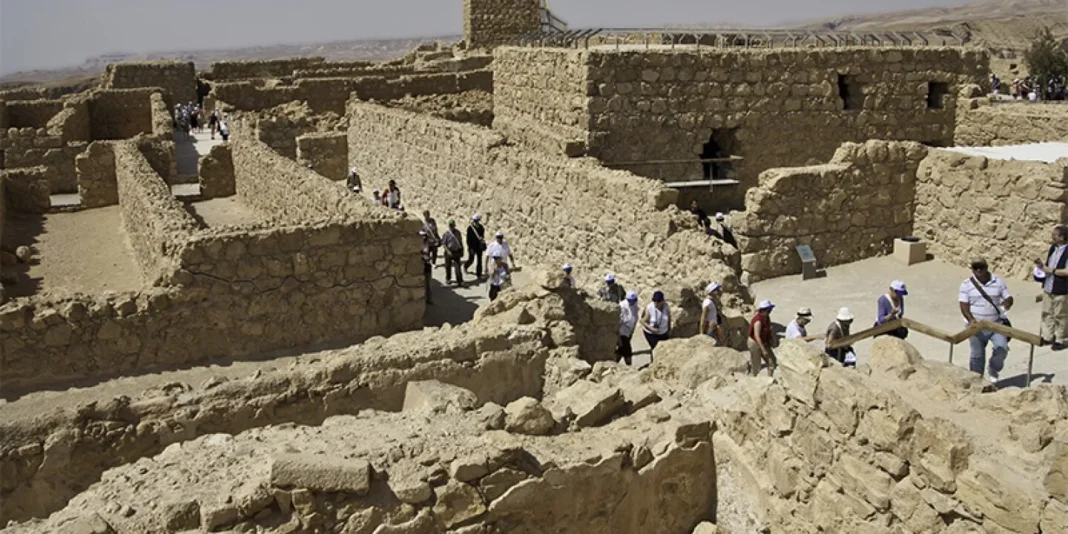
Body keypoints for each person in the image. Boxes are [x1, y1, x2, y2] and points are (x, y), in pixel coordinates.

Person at [959, 259, 1013, 380]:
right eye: (975, 267)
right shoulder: (966, 284)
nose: (979, 270)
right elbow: (963, 305)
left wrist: (1008, 302)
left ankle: (993, 368)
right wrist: (971, 320)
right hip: (976, 326)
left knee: (1002, 348)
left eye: (981, 267)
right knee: (977, 355)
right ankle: (977, 380)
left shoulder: (998, 281)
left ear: (986, 267)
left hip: (995, 324)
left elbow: (1008, 296)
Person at [1035, 225, 1068, 350]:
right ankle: (1048, 336)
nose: (1053, 236)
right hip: (1049, 286)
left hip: (1062, 288)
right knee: (1047, 312)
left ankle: (1061, 339)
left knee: (1061, 314)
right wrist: (1041, 267)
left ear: (1062, 237)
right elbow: (1048, 265)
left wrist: (1051, 271)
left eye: (1056, 235)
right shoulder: (1053, 248)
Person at [747, 300, 777, 376]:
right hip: (755, 343)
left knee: (772, 362)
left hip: (764, 342)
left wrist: (771, 340)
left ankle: (769, 379)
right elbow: (757, 336)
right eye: (770, 309)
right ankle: (754, 380)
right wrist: (763, 349)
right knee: (756, 365)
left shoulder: (766, 317)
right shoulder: (758, 321)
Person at [617, 291, 640, 366]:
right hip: (622, 331)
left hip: (629, 331)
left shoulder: (635, 305)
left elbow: (634, 317)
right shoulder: (622, 306)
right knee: (627, 350)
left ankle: (613, 363)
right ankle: (629, 366)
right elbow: (620, 320)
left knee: (621, 350)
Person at [441, 220, 465, 287]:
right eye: (450, 225)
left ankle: (459, 280)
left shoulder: (458, 233)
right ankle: (448, 279)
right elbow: (444, 244)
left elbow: (460, 242)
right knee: (448, 267)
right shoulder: (446, 234)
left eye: (452, 225)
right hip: (449, 252)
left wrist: (462, 250)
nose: (452, 227)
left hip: (456, 252)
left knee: (458, 267)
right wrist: (448, 251)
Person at [420, 230, 433, 305]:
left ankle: (429, 299)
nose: (424, 237)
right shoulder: (417, 245)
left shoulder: (428, 245)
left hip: (427, 265)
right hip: (420, 265)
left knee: (428, 284)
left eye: (425, 236)